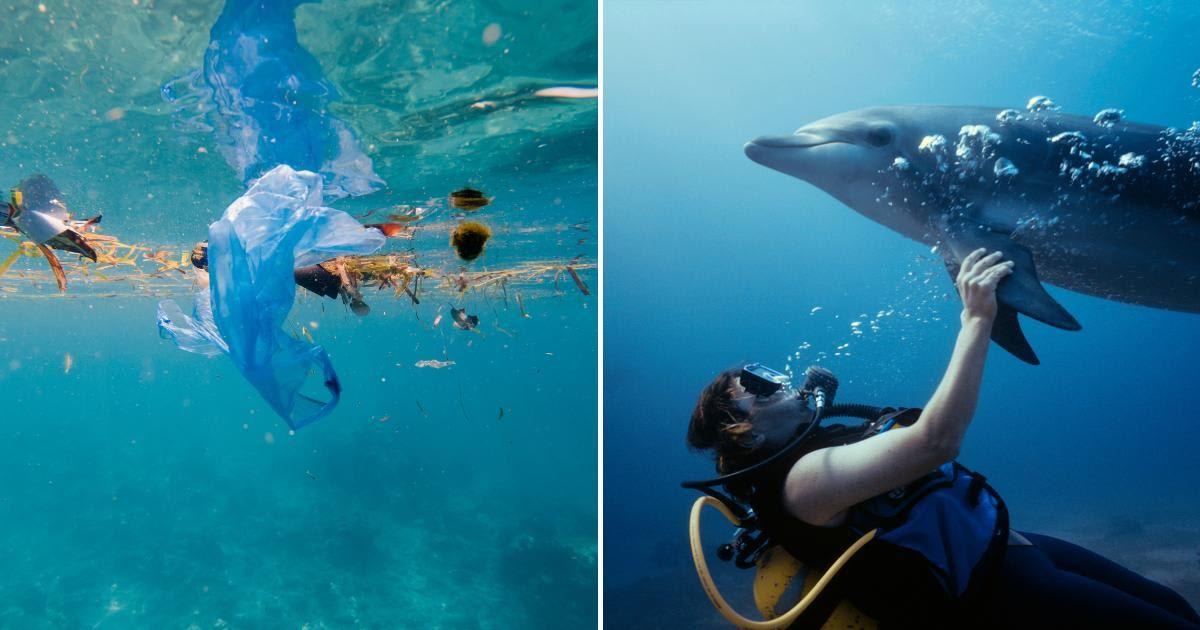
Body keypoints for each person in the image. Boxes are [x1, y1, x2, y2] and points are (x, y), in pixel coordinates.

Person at [687, 248, 1200, 628]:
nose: (779, 381)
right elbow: (937, 441)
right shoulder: (802, 483)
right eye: (757, 386)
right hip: (993, 591)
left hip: (1004, 549)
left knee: (1172, 606)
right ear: (744, 432)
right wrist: (977, 318)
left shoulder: (819, 448)